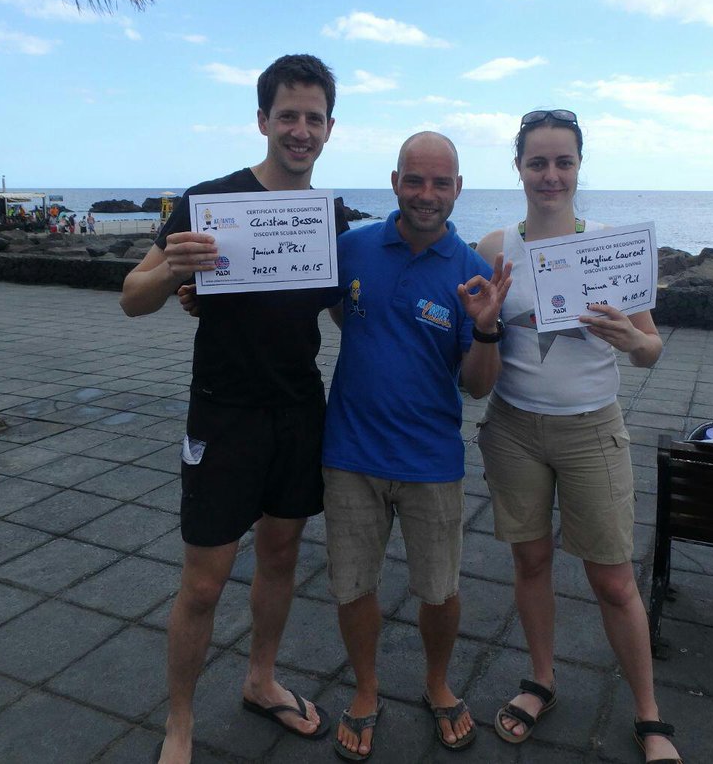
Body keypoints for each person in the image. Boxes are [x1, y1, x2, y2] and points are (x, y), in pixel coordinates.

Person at [120, 54, 345, 764]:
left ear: (330, 128)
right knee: (205, 579)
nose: (300, 130)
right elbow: (132, 296)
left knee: (281, 555)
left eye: (313, 118)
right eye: (288, 116)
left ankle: (261, 679)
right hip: (224, 413)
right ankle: (178, 724)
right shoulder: (207, 202)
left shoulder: (329, 217)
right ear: (262, 121)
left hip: (298, 410)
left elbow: (354, 305)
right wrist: (173, 271)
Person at [473, 110, 682, 763]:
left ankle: (649, 716)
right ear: (519, 168)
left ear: (579, 166)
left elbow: (650, 349)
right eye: (538, 162)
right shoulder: (494, 246)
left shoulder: (610, 243)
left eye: (563, 162)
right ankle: (541, 680)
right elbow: (481, 336)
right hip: (513, 427)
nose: (551, 175)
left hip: (592, 427)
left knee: (614, 579)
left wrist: (631, 338)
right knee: (530, 561)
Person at [321, 132, 512, 761]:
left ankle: (436, 683)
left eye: (440, 183)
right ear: (395, 181)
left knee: (439, 590)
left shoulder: (473, 272)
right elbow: (332, 310)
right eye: (414, 180)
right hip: (348, 452)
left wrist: (485, 332)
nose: (425, 195)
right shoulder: (351, 247)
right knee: (353, 586)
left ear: (458, 189)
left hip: (432, 460)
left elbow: (478, 388)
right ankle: (366, 691)